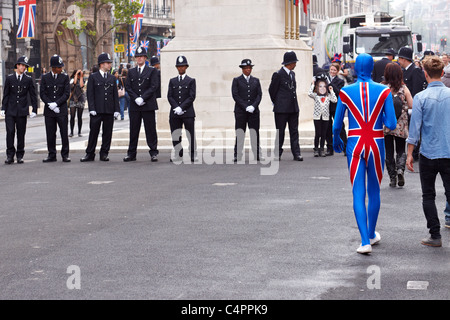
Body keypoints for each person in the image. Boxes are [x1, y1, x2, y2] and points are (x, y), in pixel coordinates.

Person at [333, 53, 397, 254]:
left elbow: (336, 126)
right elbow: (392, 124)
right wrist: (382, 117)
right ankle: (371, 233)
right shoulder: (384, 91)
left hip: (355, 143)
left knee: (358, 192)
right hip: (376, 143)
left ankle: (364, 241)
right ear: (372, 69)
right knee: (375, 191)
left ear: (355, 69)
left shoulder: (345, 92)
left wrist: (337, 140)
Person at [406, 56, 450, 247]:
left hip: (428, 152)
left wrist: (409, 153)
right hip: (448, 151)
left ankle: (435, 235)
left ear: (425, 74)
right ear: (442, 73)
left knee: (428, 195)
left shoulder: (420, 97)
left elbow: (414, 129)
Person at [81, 53, 120, 162]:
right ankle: (90, 153)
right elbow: (90, 94)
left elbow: (115, 95)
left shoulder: (112, 78)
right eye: (108, 63)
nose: (109, 65)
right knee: (93, 133)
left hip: (109, 109)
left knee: (107, 133)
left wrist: (117, 109)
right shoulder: (93, 77)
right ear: (101, 64)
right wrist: (91, 108)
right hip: (97, 110)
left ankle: (104, 153)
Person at [123, 47, 160, 162]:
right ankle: (131, 153)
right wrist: (136, 98)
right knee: (134, 130)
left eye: (141, 56)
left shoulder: (152, 71)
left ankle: (153, 152)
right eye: (137, 57)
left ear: (145, 58)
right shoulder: (132, 72)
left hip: (148, 104)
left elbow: (154, 86)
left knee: (150, 130)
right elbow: (128, 86)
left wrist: (143, 98)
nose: (139, 58)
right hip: (135, 105)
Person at [1, 56, 38, 164]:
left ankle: (20, 155)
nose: (23, 68)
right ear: (17, 65)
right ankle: (10, 155)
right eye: (22, 65)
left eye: (25, 66)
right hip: (10, 110)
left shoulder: (28, 79)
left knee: (21, 133)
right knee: (10, 132)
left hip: (22, 110)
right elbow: (6, 94)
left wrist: (34, 109)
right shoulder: (10, 78)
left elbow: (32, 95)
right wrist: (3, 108)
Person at [382, 63, 413, 187]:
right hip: (401, 125)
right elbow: (411, 105)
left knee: (389, 152)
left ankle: (392, 178)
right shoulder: (404, 89)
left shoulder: (383, 88)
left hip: (387, 125)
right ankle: (400, 170)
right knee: (400, 149)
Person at [268, 51, 303, 161]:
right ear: (290, 63)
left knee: (294, 132)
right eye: (294, 62)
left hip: (293, 108)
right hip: (281, 109)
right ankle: (277, 153)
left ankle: (296, 153)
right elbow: (272, 90)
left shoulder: (292, 74)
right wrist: (278, 102)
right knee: (280, 132)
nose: (295, 64)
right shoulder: (278, 74)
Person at [40, 55, 71, 163]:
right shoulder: (45, 77)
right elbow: (42, 93)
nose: (61, 69)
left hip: (61, 110)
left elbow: (66, 93)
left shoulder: (65, 77)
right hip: (49, 111)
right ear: (53, 67)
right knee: (50, 133)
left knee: (64, 133)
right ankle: (51, 154)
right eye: (59, 67)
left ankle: (65, 154)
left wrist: (57, 104)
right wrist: (50, 104)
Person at [231, 59, 263, 162]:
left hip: (253, 111)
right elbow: (235, 95)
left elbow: (259, 95)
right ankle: (237, 154)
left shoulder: (256, 80)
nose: (248, 70)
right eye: (246, 68)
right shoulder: (237, 80)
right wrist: (245, 106)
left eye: (249, 68)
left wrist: (253, 106)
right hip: (241, 111)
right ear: (242, 69)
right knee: (240, 132)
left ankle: (257, 153)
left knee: (255, 133)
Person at [167, 55, 197, 162]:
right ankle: (177, 153)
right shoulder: (172, 81)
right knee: (176, 134)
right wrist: (176, 107)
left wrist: (182, 107)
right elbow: (169, 96)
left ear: (186, 67)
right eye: (179, 66)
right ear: (176, 68)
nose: (181, 68)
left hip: (188, 112)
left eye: (183, 66)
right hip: (175, 113)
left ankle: (192, 153)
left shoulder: (191, 81)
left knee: (190, 134)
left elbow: (191, 96)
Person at [308, 73, 337, 157]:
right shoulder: (316, 96)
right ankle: (316, 149)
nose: (322, 88)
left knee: (324, 134)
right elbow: (309, 93)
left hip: (325, 117)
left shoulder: (328, 97)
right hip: (317, 117)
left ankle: (322, 149)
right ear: (317, 87)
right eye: (320, 86)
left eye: (324, 86)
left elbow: (334, 100)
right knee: (318, 133)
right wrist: (312, 85)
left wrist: (331, 90)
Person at [325, 62, 346, 156]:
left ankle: (345, 147)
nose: (332, 72)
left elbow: (339, 92)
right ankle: (329, 148)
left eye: (334, 70)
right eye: (331, 69)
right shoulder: (324, 79)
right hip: (326, 106)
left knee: (340, 126)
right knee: (327, 127)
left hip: (336, 106)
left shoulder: (340, 81)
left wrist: (331, 85)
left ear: (337, 71)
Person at [69, 69, 86, 137]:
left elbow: (81, 85)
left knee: (79, 117)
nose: (79, 76)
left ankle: (79, 132)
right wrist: (76, 75)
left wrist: (81, 76)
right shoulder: (72, 80)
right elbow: (74, 84)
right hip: (73, 99)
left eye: (79, 74)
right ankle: (72, 132)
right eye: (78, 74)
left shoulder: (82, 79)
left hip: (80, 99)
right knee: (72, 116)